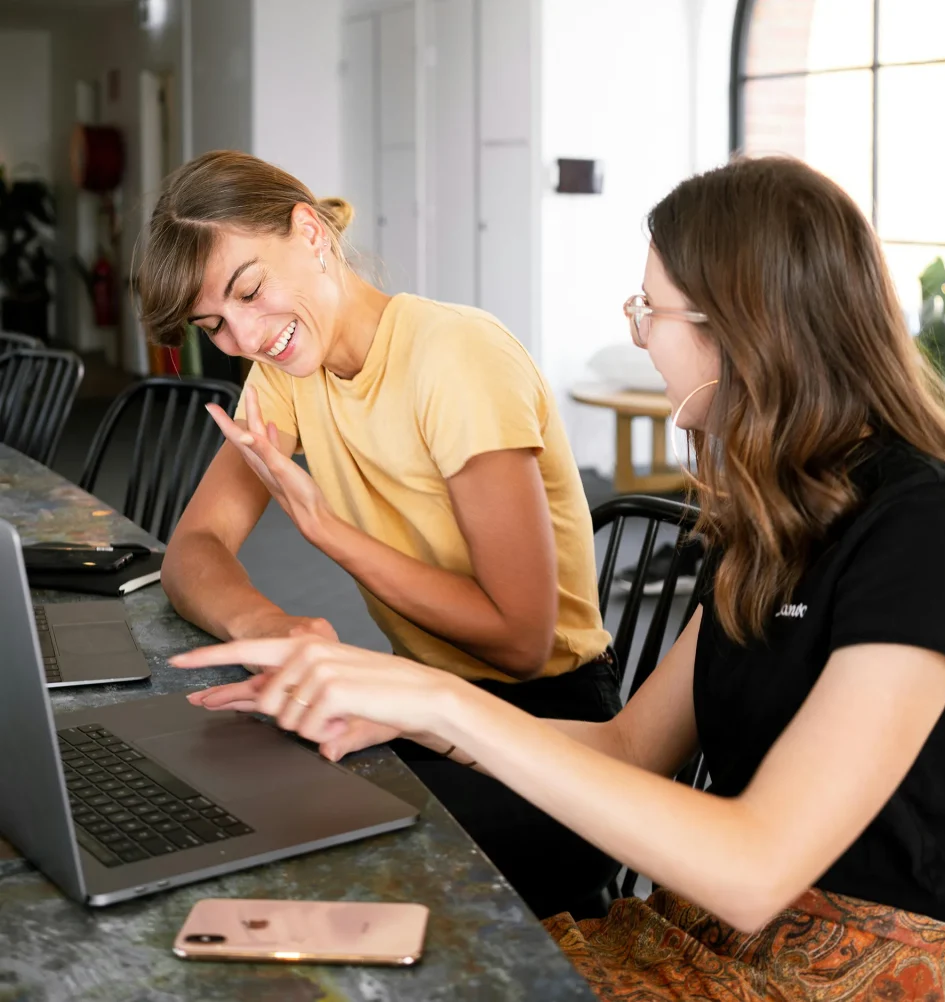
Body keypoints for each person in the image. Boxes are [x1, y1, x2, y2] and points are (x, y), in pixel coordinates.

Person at [172, 156, 945, 1002]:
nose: (640, 335)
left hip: (828, 976)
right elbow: (630, 749)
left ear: (743, 325)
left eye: (649, 310)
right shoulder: (780, 517)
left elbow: (756, 870)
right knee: (309, 961)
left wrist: (436, 701)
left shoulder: (930, 534)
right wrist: (402, 709)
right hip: (690, 935)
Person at [135, 150, 621, 919]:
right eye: (214, 325)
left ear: (310, 233)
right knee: (226, 784)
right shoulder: (287, 370)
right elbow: (194, 550)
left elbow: (523, 641)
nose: (245, 338)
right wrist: (272, 626)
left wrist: (329, 532)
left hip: (551, 735)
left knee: (300, 844)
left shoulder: (455, 356)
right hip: (420, 703)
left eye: (250, 292)